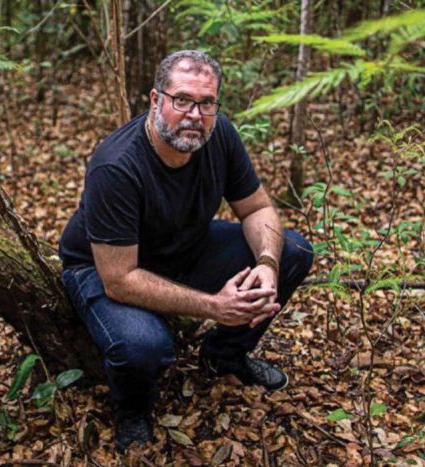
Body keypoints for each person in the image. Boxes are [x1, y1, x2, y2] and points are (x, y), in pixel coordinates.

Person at [58, 50, 313, 451]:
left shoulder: (220, 136)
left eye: (206, 103)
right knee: (145, 346)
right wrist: (214, 306)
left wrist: (266, 263)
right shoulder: (117, 166)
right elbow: (120, 279)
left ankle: (224, 356)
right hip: (104, 268)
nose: (195, 114)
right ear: (156, 100)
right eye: (182, 100)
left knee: (293, 251)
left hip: (183, 246)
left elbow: (258, 208)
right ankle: (133, 409)